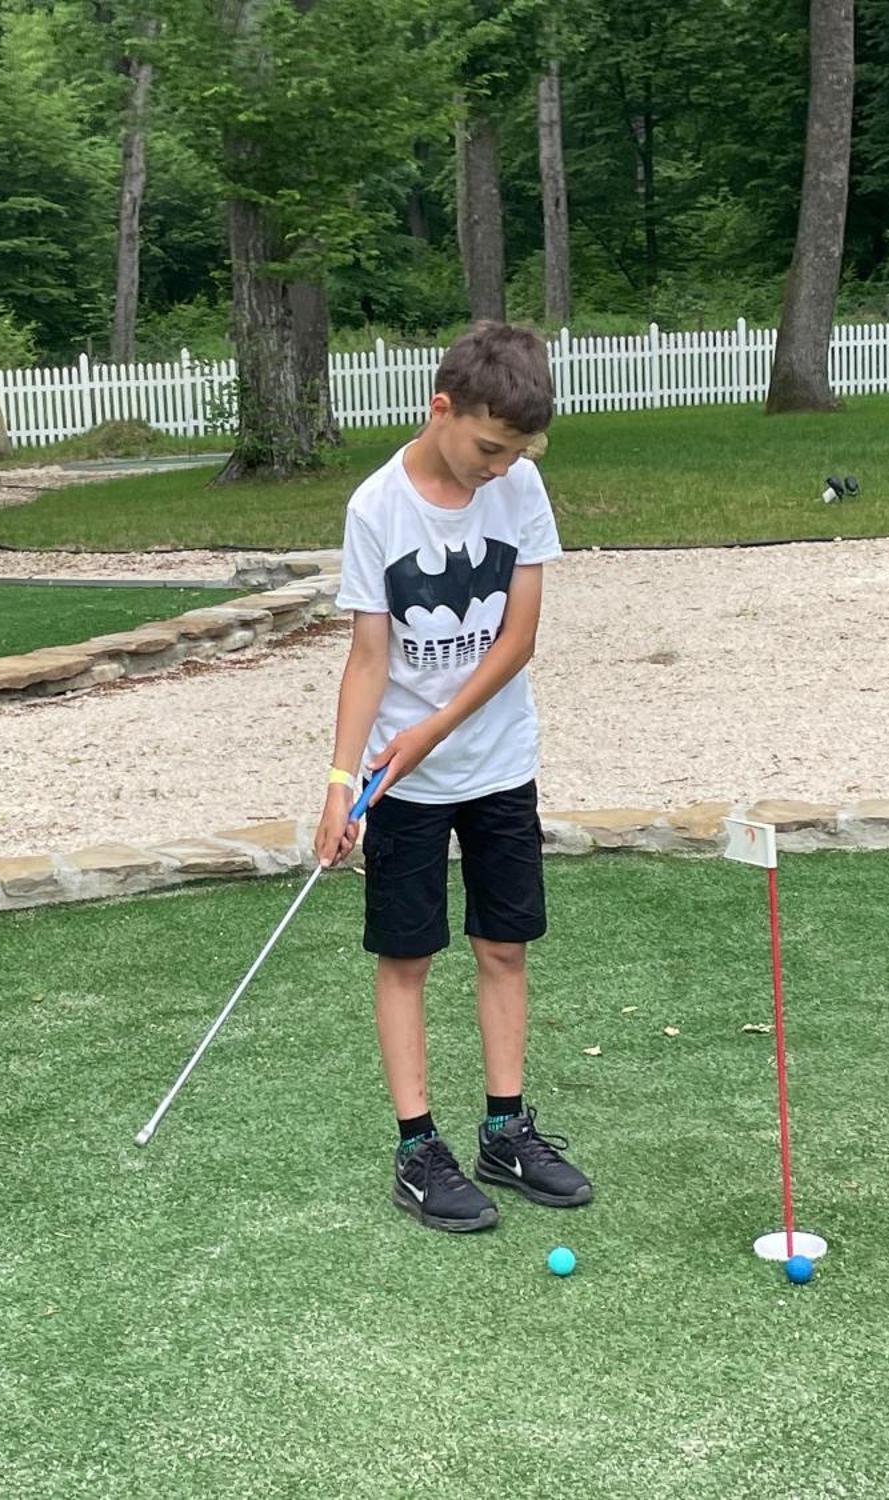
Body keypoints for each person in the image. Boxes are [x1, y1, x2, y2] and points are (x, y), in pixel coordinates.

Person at [313, 322, 590, 1233]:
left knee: (503, 946)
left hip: (497, 761)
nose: (499, 469)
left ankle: (506, 1131)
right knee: (407, 956)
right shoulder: (375, 510)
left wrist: (431, 729)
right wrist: (338, 780)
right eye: (487, 449)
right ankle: (416, 1148)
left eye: (515, 455)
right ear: (442, 409)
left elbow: (519, 639)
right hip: (402, 784)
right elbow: (366, 658)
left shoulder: (519, 486)